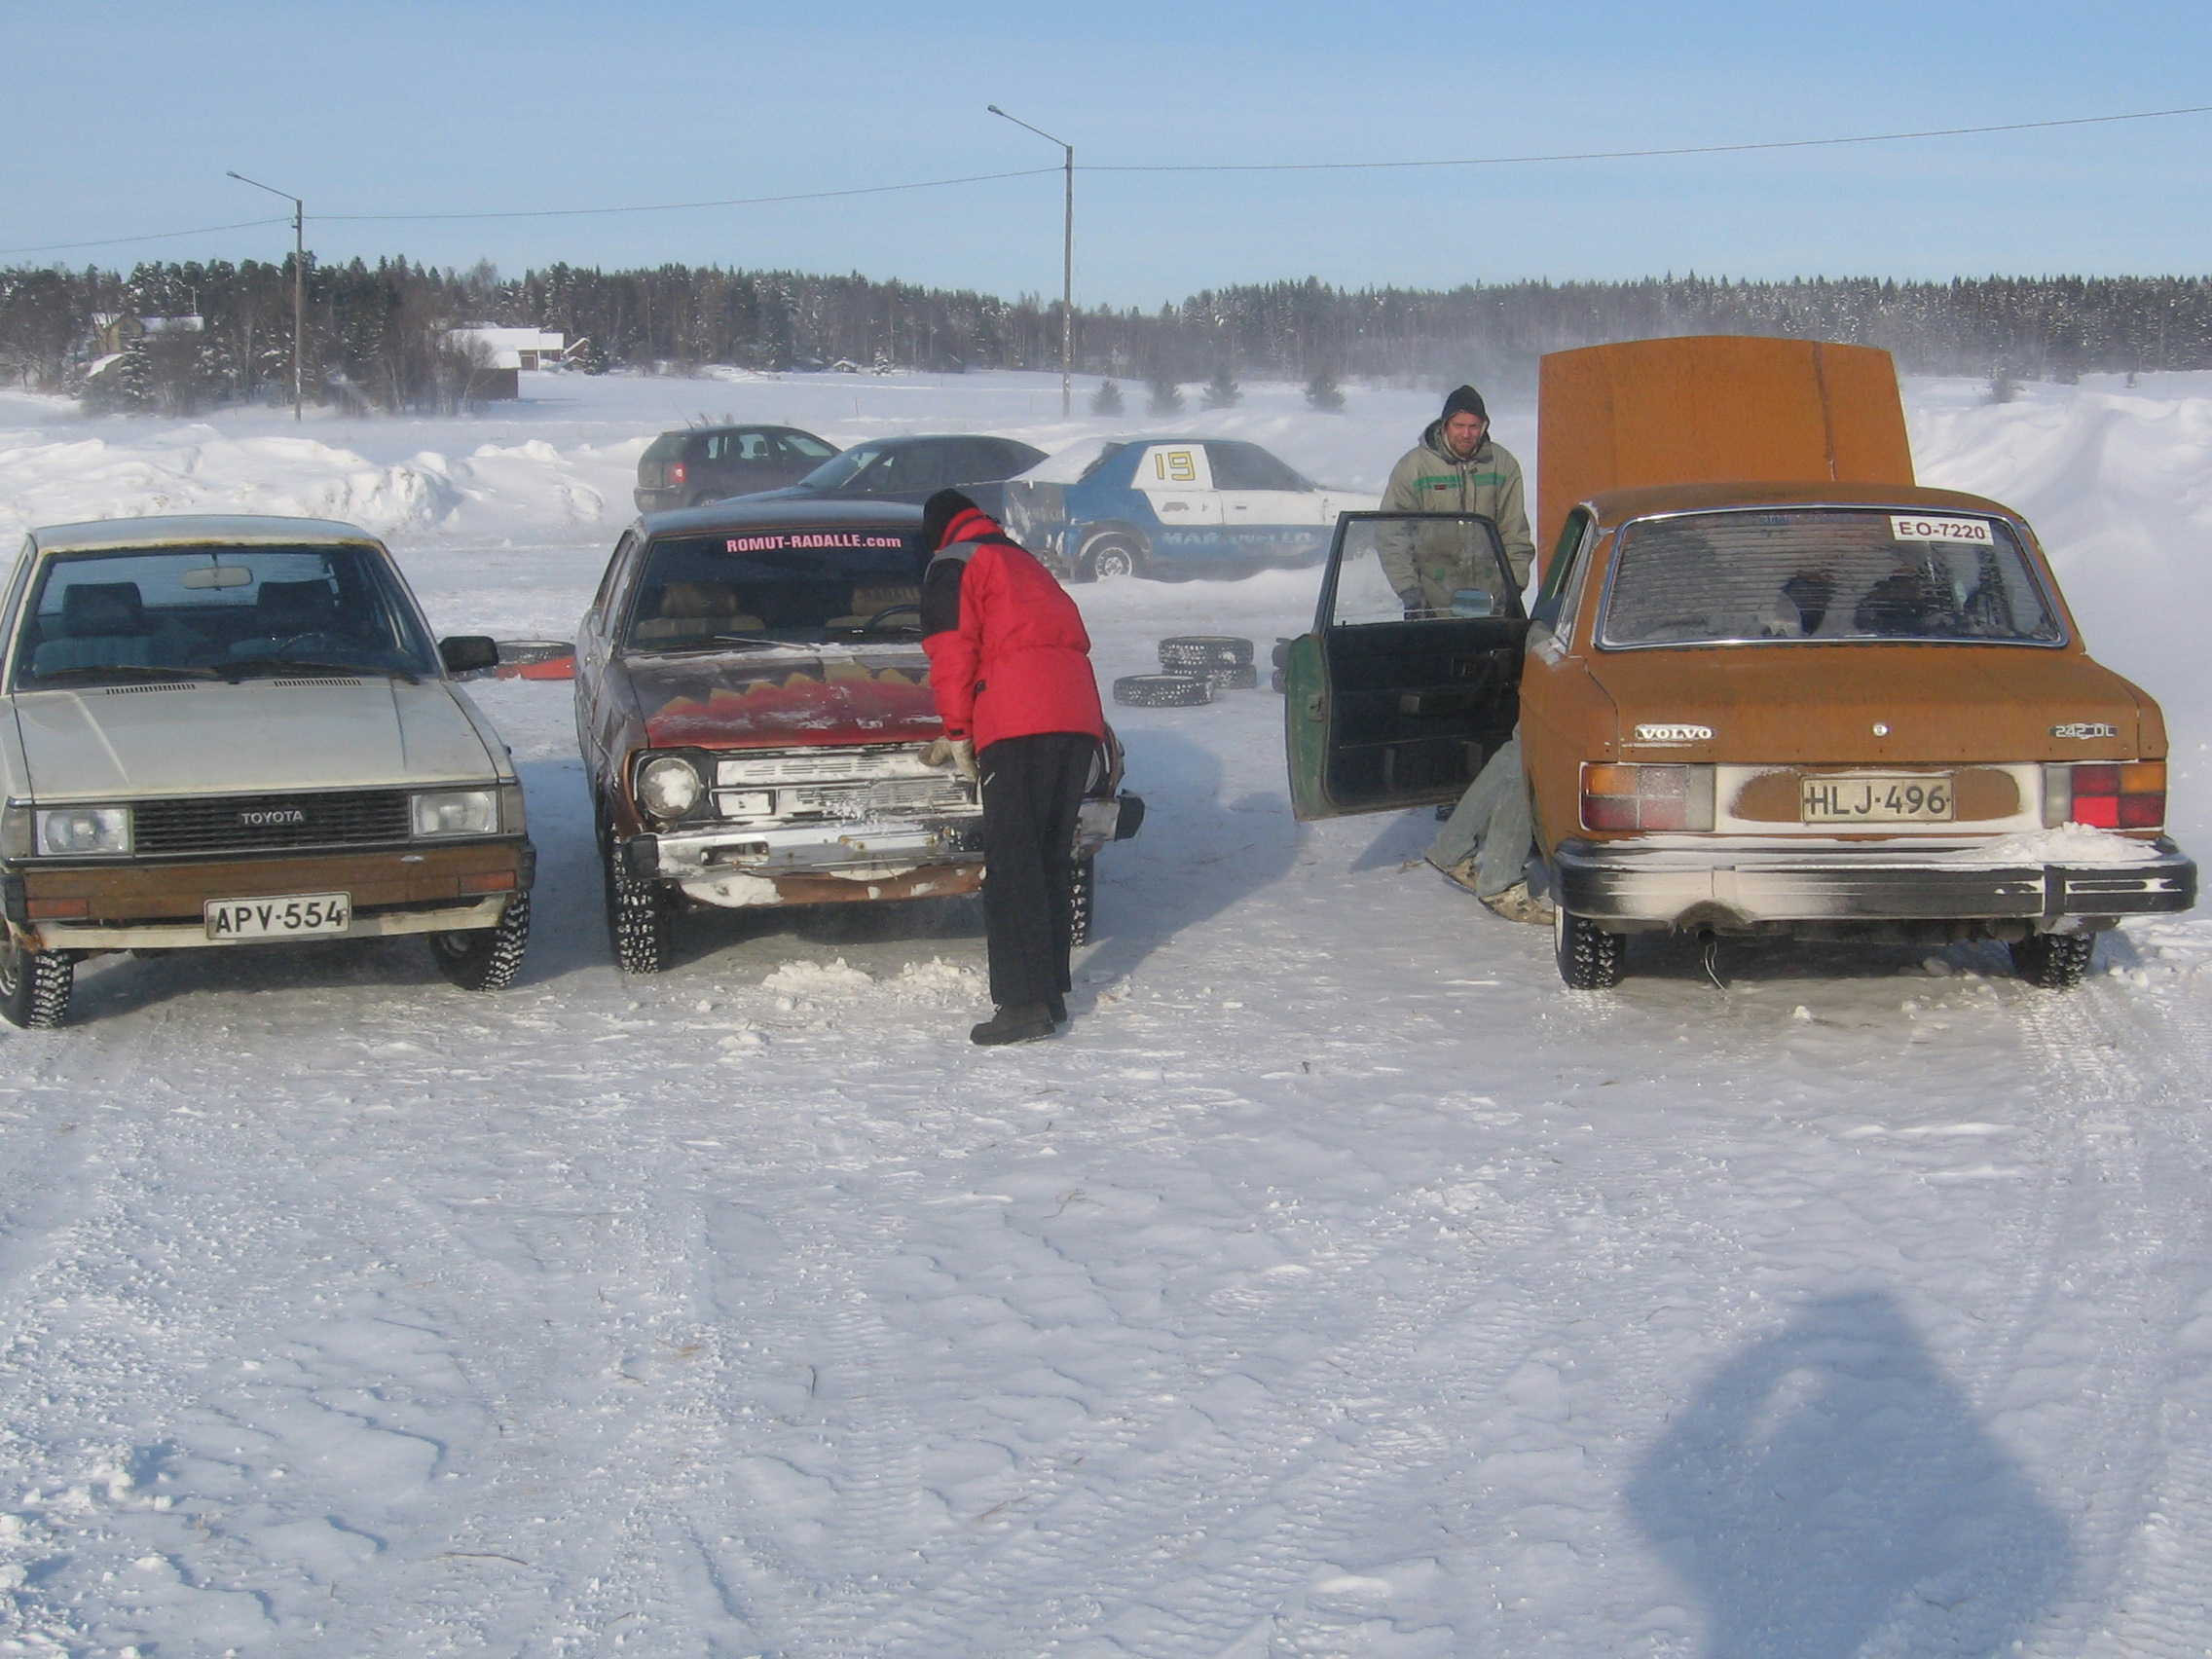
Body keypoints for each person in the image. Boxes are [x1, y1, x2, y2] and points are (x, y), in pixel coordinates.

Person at [917, 488, 1108, 1046]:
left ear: (938, 530)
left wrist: (957, 731)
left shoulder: (954, 563)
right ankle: (1048, 995)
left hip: (1018, 725)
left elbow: (951, 651)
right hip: (1075, 719)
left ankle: (1021, 1006)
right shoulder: (1020, 560)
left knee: (1013, 865)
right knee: (1048, 858)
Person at [1378, 385, 1537, 610]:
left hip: (1490, 597)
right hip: (1432, 600)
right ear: (1445, 425)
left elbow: (1514, 532)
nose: (1466, 434)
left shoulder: (1502, 465)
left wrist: (1513, 587)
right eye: (1459, 425)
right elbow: (1391, 534)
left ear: (1483, 427)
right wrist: (1409, 590)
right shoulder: (1414, 468)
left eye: (1473, 427)